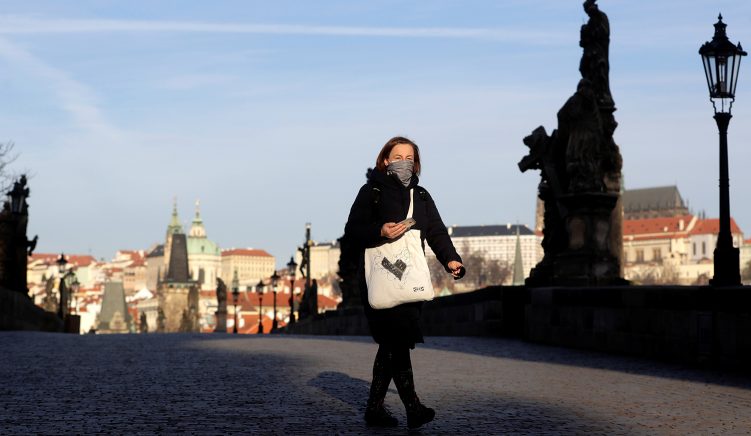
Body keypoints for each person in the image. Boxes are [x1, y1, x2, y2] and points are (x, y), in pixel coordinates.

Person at [344, 136, 464, 429]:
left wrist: (451, 259)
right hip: (380, 278)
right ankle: (412, 407)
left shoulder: (421, 196)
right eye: (398, 157)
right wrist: (381, 231)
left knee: (393, 343)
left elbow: (435, 231)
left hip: (410, 280)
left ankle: (377, 409)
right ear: (385, 160)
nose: (404, 162)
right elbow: (352, 232)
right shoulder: (371, 192)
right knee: (394, 340)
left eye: (409, 157)